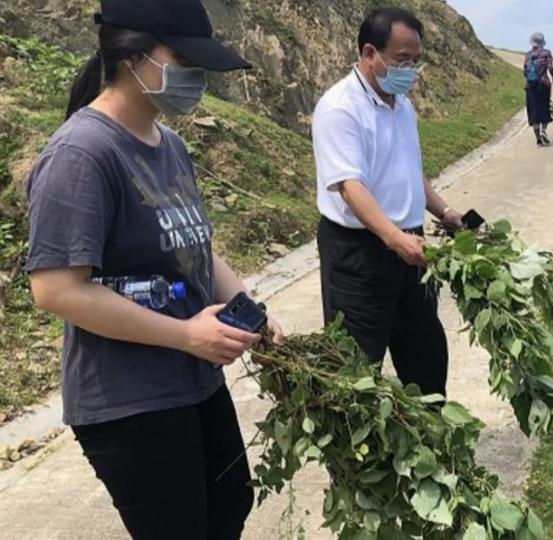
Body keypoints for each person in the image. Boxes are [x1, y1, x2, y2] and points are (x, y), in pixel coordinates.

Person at [25, 1, 284, 538]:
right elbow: (56, 289)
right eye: (184, 60)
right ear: (133, 55)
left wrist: (253, 314)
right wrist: (186, 334)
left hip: (193, 382)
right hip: (129, 401)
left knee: (230, 504)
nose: (194, 77)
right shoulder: (81, 153)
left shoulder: (171, 146)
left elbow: (197, 251)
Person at [312, 8, 464, 397]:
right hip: (359, 254)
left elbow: (410, 170)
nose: (410, 70)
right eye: (401, 61)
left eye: (416, 61)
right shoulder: (340, 109)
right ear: (369, 54)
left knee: (426, 356)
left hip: (411, 248)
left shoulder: (402, 105)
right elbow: (350, 187)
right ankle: (358, 458)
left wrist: (445, 212)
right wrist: (395, 240)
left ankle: (431, 443)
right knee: (356, 369)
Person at [523, 32, 553, 147]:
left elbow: (525, 71)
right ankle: (544, 131)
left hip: (530, 86)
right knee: (544, 108)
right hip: (544, 85)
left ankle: (538, 138)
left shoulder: (528, 54)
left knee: (533, 111)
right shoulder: (546, 53)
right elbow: (550, 67)